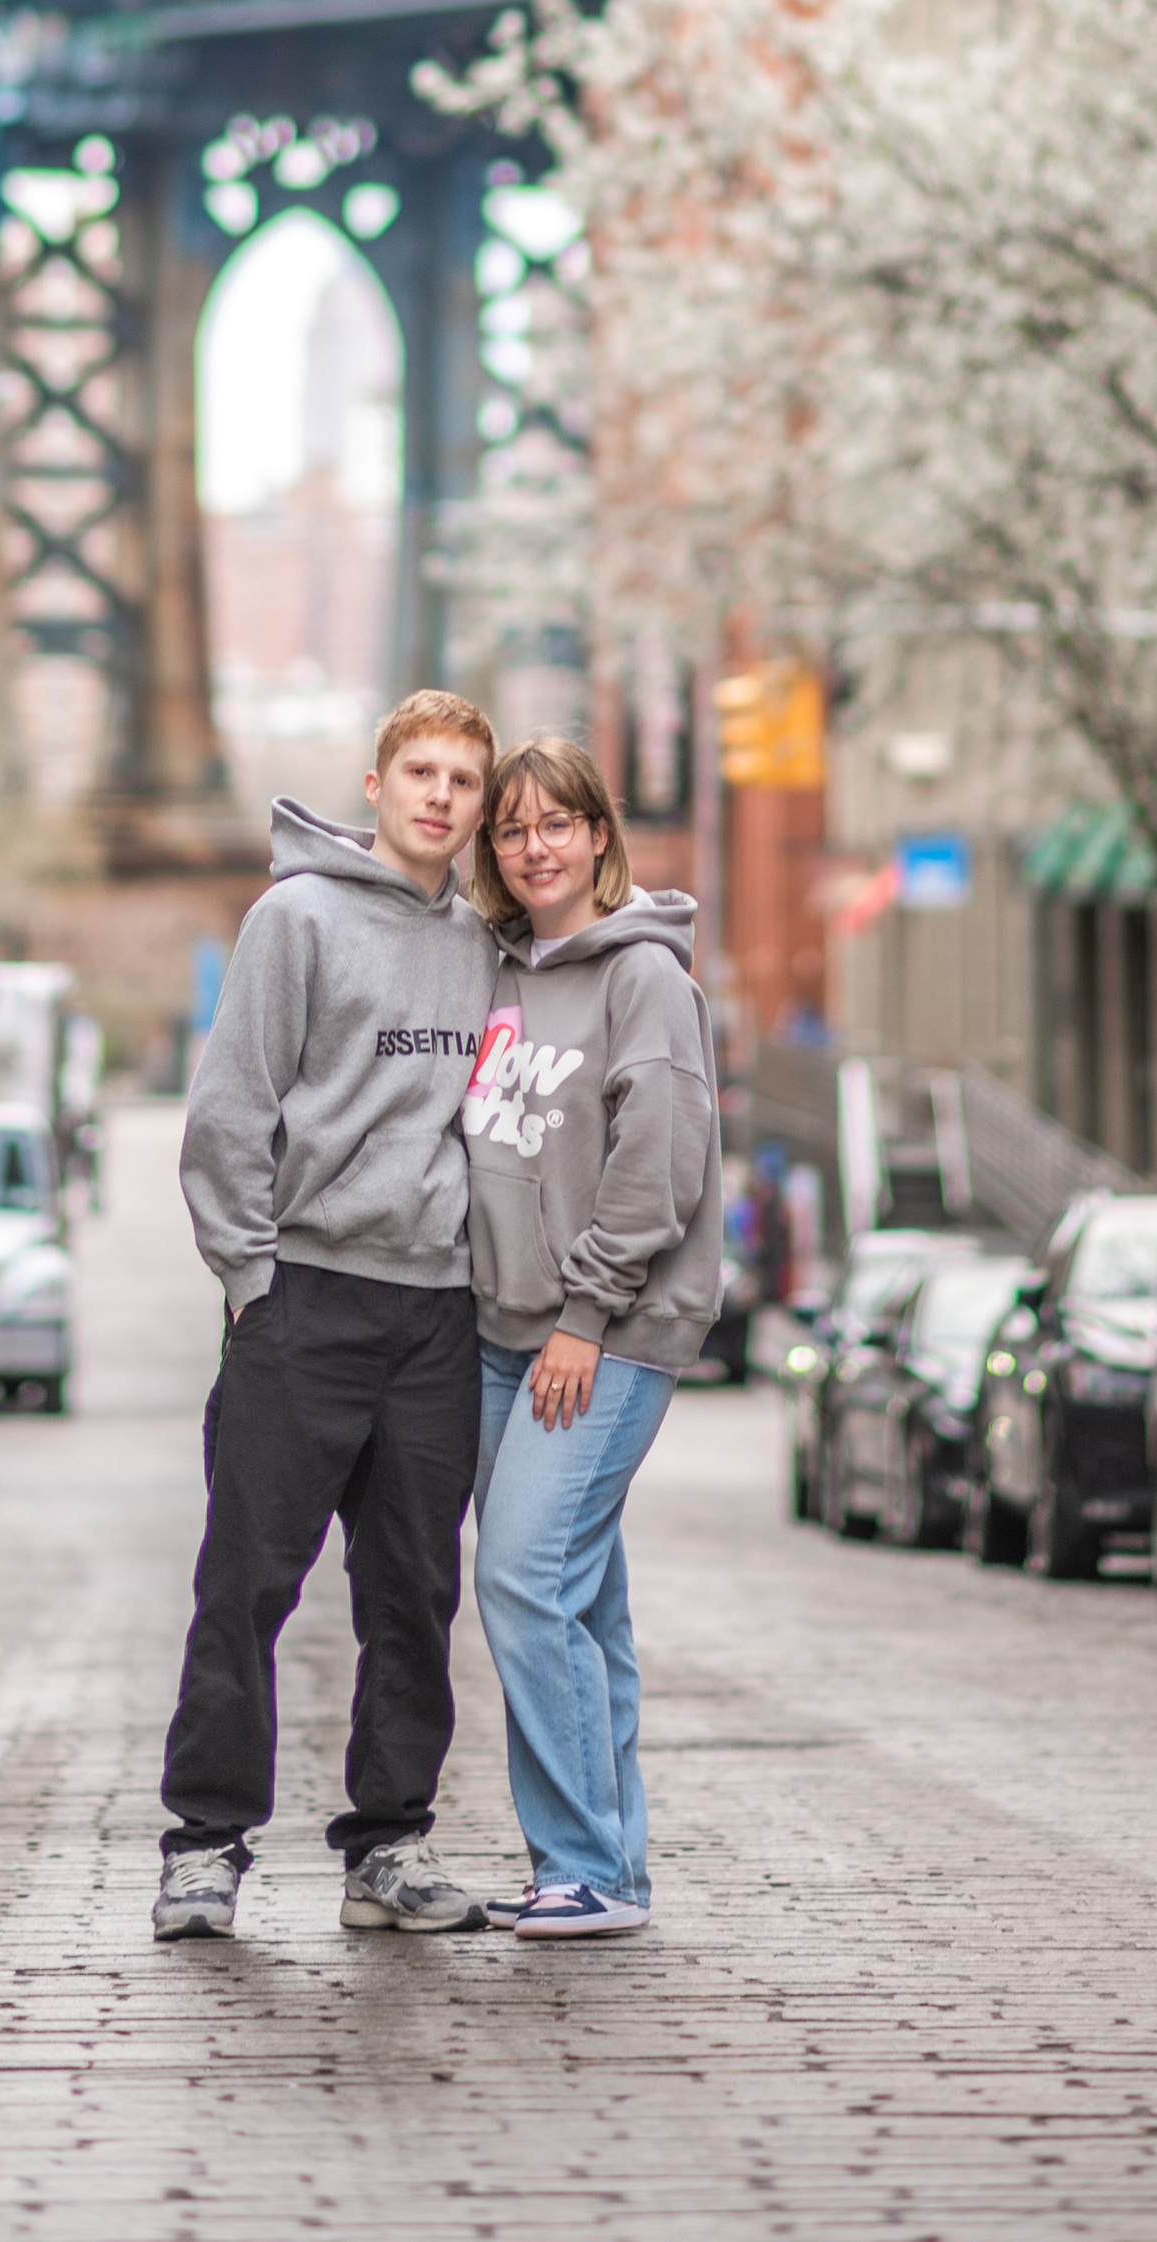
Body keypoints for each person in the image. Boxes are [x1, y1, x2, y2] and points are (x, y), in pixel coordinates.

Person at [152, 692, 498, 1944]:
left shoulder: (486, 944)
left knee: (414, 1595)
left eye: (464, 779)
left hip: (437, 1315)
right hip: (303, 1301)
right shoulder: (293, 919)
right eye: (420, 771)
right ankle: (203, 1848)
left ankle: (387, 1847)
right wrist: (252, 1282)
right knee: (245, 1584)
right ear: (376, 783)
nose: (439, 796)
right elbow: (228, 1112)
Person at [463, 733, 722, 1938]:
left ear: (599, 835)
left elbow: (657, 1169)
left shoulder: (643, 979)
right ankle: (604, 1867)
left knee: (518, 1577)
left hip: (605, 1335)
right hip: (501, 1333)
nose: (534, 848)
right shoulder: (495, 972)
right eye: (512, 829)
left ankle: (583, 1864)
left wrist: (582, 1316)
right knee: (578, 1600)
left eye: (555, 824)